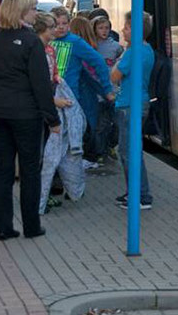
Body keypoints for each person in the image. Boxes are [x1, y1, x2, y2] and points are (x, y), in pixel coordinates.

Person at [0, 0, 60, 240]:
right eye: (33, 9)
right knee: (29, 170)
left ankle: (3, 227)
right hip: (25, 114)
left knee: (3, 169)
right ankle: (31, 225)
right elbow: (40, 84)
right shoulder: (31, 42)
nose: (36, 13)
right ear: (21, 12)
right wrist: (52, 119)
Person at [34, 13, 86, 215]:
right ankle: (38, 202)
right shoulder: (40, 51)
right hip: (45, 110)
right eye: (52, 27)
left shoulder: (49, 49)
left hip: (48, 106)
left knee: (48, 157)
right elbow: (39, 82)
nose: (56, 29)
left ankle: (42, 199)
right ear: (43, 30)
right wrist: (54, 101)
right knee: (45, 158)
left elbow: (50, 77)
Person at [112, 11, 155, 210]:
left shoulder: (133, 51)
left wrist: (118, 61)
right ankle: (137, 193)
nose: (123, 30)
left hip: (129, 104)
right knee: (132, 150)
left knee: (128, 152)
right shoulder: (147, 49)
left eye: (127, 27)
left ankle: (140, 196)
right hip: (139, 102)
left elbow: (115, 76)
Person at [69, 16, 110, 165]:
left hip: (75, 95)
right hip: (89, 95)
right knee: (93, 125)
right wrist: (106, 90)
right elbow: (98, 67)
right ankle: (92, 155)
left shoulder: (69, 45)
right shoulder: (88, 48)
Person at [92, 15, 123, 158]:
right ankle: (100, 151)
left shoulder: (116, 47)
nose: (104, 31)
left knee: (117, 123)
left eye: (107, 28)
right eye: (100, 28)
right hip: (98, 93)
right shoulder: (92, 46)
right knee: (101, 125)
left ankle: (111, 145)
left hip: (114, 91)